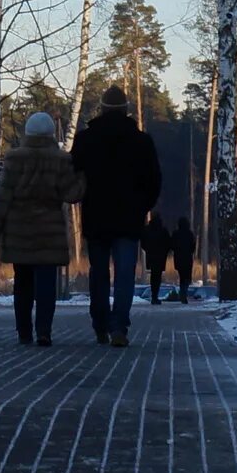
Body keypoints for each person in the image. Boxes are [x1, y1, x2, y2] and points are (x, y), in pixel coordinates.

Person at [0, 110, 82, 346]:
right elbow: (73, 194)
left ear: (28, 132)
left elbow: (1, 197)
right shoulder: (60, 160)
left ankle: (24, 332)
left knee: (23, 284)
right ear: (51, 134)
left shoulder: (15, 159)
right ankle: (44, 331)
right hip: (49, 233)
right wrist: (83, 177)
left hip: (19, 232)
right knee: (46, 285)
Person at [70, 86, 161, 346]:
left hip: (96, 216)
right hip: (129, 220)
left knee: (98, 272)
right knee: (124, 273)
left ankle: (100, 323)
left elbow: (72, 173)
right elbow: (154, 181)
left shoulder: (86, 139)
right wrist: (142, 207)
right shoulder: (142, 141)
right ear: (126, 109)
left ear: (102, 108)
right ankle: (119, 325)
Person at [140, 207, 175, 305]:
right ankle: (155, 296)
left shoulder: (147, 229)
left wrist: (147, 249)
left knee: (153, 276)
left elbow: (143, 242)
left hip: (151, 255)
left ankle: (154, 296)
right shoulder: (163, 230)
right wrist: (165, 252)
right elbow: (168, 243)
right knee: (157, 276)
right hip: (160, 256)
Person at [169, 214, 197, 303]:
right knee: (187, 277)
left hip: (178, 258)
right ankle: (183, 293)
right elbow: (193, 246)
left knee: (182, 276)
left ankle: (183, 293)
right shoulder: (189, 233)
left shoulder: (175, 233)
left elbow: (172, 245)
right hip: (188, 258)